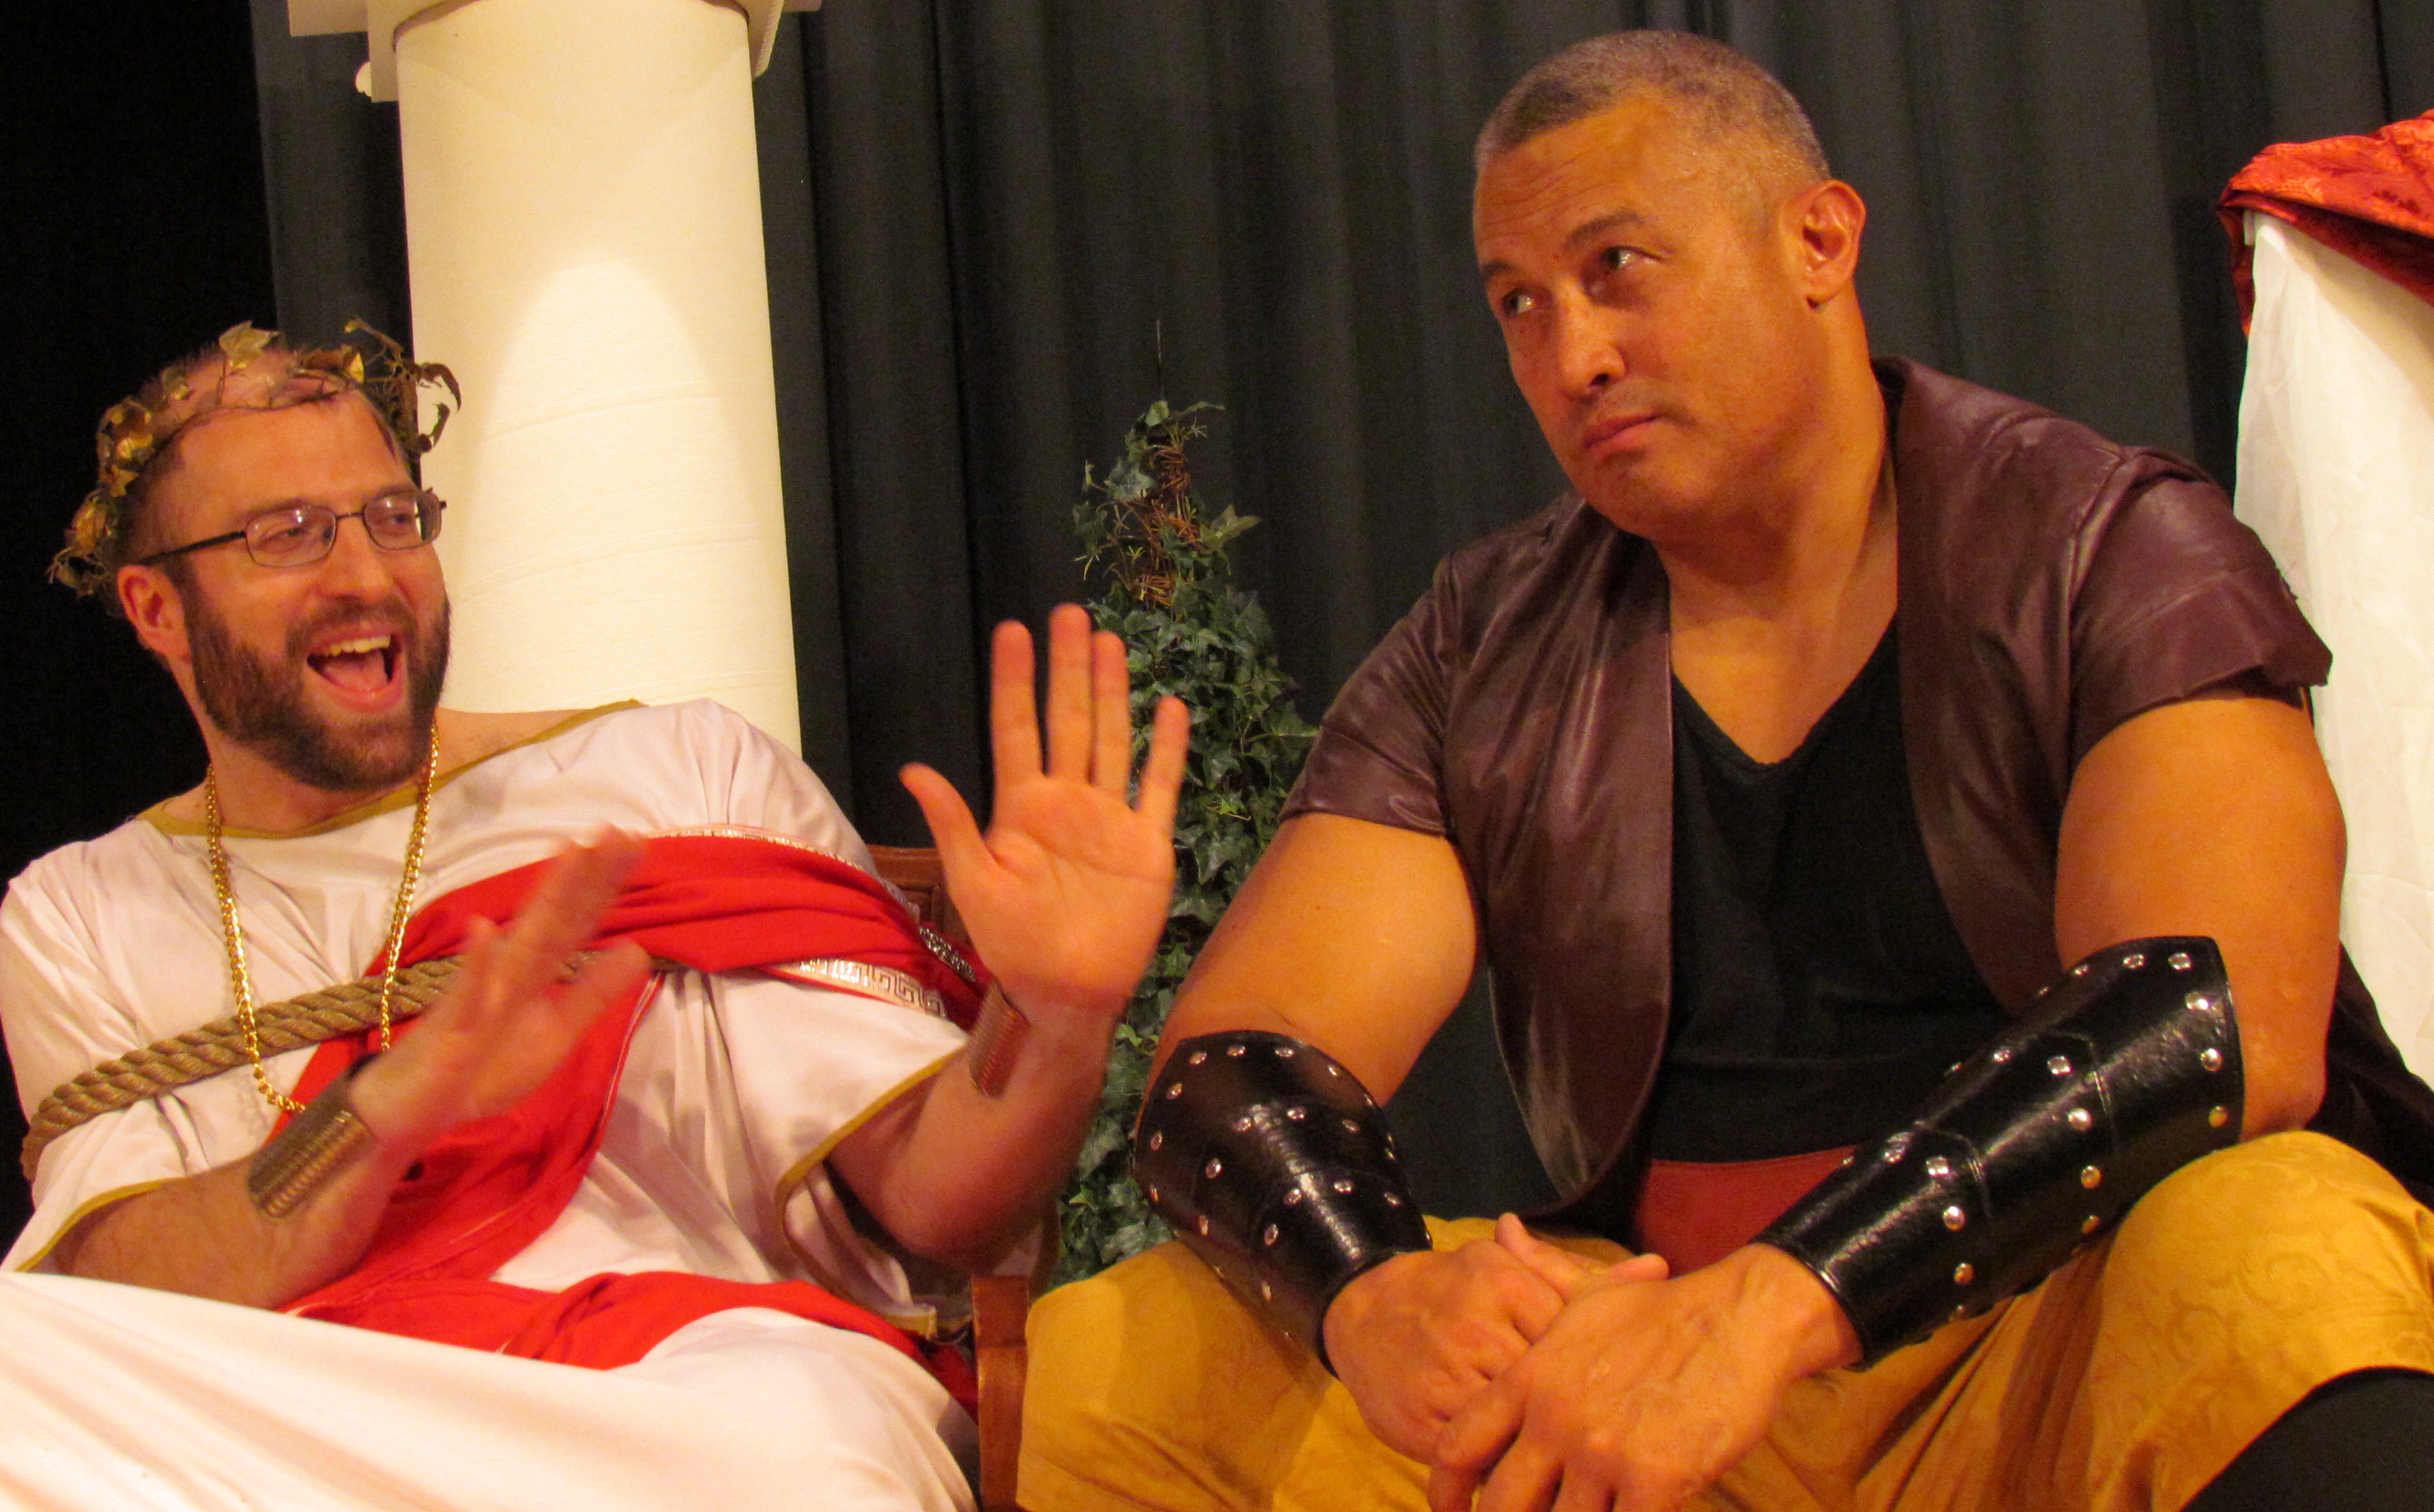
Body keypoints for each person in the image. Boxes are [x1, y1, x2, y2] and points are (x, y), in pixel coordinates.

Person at [1023, 30, 2434, 1512]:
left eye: (1618, 268)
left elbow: (2217, 1016)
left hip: (2037, 1347)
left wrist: (1783, 1298)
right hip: (1646, 1363)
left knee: (2277, 1242)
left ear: (1819, 240)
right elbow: (1237, 1062)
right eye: (1521, 304)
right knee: (1128, 1358)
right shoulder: (1483, 641)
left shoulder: (2107, 542)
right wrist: (1370, 1290)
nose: (1574, 357)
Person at [0, 323, 1189, 1512]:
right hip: (311, 1415)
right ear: (156, 608)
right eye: (287, 534)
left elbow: (939, 1202)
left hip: (670, 1404)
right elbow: (121, 1290)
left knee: (796, 1441)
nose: (364, 573)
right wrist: (381, 1115)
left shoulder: (673, 774)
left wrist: (1058, 1019)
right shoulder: (83, 909)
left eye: (394, 517)